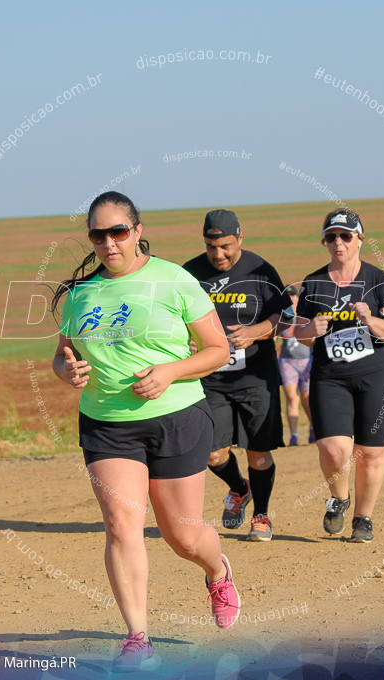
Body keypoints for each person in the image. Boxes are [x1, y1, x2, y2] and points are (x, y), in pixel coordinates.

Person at [51, 192, 240, 671]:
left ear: (136, 231)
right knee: (121, 524)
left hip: (177, 418)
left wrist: (171, 372)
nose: (109, 242)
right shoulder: (79, 295)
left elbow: (217, 350)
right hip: (108, 425)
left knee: (184, 538)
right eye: (98, 233)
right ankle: (137, 637)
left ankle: (217, 572)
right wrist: (65, 371)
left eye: (118, 231)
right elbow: (63, 353)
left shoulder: (175, 280)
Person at [294, 209, 384, 543]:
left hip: (375, 373)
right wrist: (309, 329)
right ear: (324, 242)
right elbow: (300, 333)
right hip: (330, 375)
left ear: (360, 239)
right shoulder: (313, 283)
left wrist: (371, 320)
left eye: (345, 236)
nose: (338, 243)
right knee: (332, 449)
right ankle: (339, 498)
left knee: (370, 453)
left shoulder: (378, 279)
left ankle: (364, 518)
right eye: (331, 237)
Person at [182, 209, 290, 542]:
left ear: (240, 238)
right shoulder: (190, 273)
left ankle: (261, 515)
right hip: (210, 377)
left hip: (256, 378)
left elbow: (285, 319)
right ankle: (238, 488)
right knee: (212, 453)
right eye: (211, 247)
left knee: (257, 452)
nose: (219, 255)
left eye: (226, 246)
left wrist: (256, 332)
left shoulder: (260, 270)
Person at [279, 285, 315, 446]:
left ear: (298, 297)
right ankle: (293, 435)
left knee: (307, 400)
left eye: (294, 295)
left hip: (307, 361)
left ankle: (313, 428)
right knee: (291, 397)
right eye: (288, 295)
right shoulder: (282, 316)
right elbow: (272, 335)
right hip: (288, 361)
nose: (291, 297)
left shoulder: (306, 314)